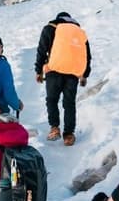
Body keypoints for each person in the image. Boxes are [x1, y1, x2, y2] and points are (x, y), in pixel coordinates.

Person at [34, 11, 91, 146]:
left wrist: (38, 71)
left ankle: (54, 127)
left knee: (52, 99)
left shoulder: (50, 27)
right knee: (69, 103)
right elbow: (87, 55)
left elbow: (41, 50)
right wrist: (84, 74)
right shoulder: (79, 32)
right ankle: (69, 134)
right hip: (72, 73)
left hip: (53, 70)